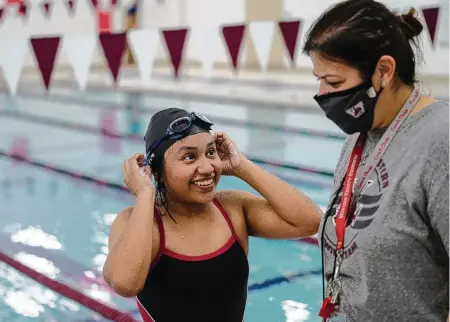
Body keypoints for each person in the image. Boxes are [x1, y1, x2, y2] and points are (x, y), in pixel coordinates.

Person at [301, 0, 449, 321]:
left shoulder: (441, 138)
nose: (323, 95)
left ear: (384, 71)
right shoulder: (359, 134)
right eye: (319, 80)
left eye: (335, 83)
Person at [102, 108, 322, 322]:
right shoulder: (136, 221)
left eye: (210, 153)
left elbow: (311, 222)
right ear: (157, 171)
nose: (207, 167)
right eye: (189, 157)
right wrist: (144, 193)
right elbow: (125, 284)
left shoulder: (233, 208)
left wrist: (242, 166)